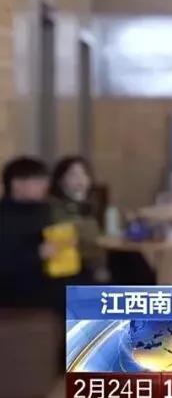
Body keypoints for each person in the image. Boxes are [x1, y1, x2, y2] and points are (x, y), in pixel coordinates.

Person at [0, 156, 90, 372]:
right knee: (77, 295)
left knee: (91, 281)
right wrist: (38, 254)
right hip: (14, 286)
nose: (44, 186)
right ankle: (71, 360)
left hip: (45, 276)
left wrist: (64, 244)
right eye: (38, 181)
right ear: (17, 184)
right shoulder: (4, 217)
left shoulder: (42, 209)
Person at [49, 155, 157, 285]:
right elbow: (81, 236)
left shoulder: (93, 204)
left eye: (84, 174)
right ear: (60, 181)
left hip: (103, 254)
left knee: (134, 259)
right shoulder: (55, 207)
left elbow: (112, 229)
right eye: (73, 175)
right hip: (81, 262)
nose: (80, 179)